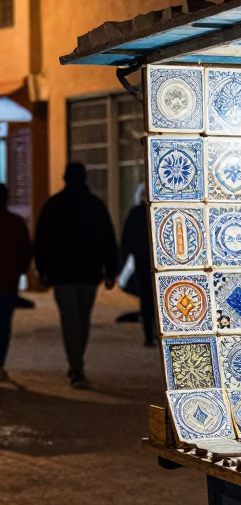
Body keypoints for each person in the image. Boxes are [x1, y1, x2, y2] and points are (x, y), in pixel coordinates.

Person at [34, 162, 118, 388]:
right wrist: (110, 271)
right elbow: (108, 240)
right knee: (83, 320)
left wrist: (42, 270)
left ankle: (76, 367)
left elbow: (41, 242)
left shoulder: (53, 206)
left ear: (65, 178)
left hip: (62, 274)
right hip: (89, 273)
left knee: (70, 321)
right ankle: (77, 364)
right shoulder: (95, 206)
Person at [0, 183, 33, 383]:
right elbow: (25, 251)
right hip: (8, 282)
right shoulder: (16, 223)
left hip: (8, 280)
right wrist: (22, 270)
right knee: (3, 325)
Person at [120, 185, 155, 346]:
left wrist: (121, 262)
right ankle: (156, 332)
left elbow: (126, 240)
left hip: (142, 261)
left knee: (146, 298)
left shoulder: (135, 214)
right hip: (158, 263)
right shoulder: (159, 212)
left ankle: (149, 334)